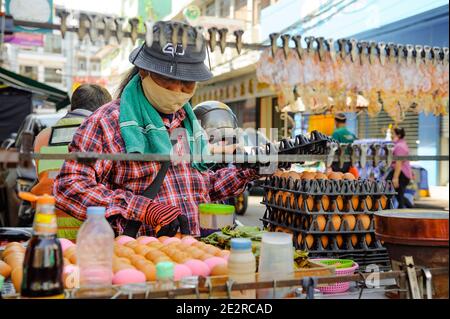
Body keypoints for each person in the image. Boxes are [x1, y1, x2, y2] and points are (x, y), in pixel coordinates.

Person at [53, 21, 258, 238]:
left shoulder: (189, 124)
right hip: (142, 258)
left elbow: (200, 187)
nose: (178, 90)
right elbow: (68, 186)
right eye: (169, 80)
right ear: (143, 71)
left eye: (187, 83)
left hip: (196, 252)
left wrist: (247, 170)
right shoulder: (108, 122)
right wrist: (142, 209)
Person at [31, 84, 112, 240]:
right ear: (102, 108)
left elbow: (44, 177)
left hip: (48, 227)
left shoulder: (43, 136)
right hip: (90, 229)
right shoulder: (100, 134)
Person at [386, 127, 412, 208]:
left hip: (401, 174)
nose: (391, 135)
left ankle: (400, 215)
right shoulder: (400, 144)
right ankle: (410, 208)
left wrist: (395, 178)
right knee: (398, 196)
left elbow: (399, 163)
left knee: (397, 196)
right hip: (401, 173)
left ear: (399, 135)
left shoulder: (400, 146)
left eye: (393, 134)